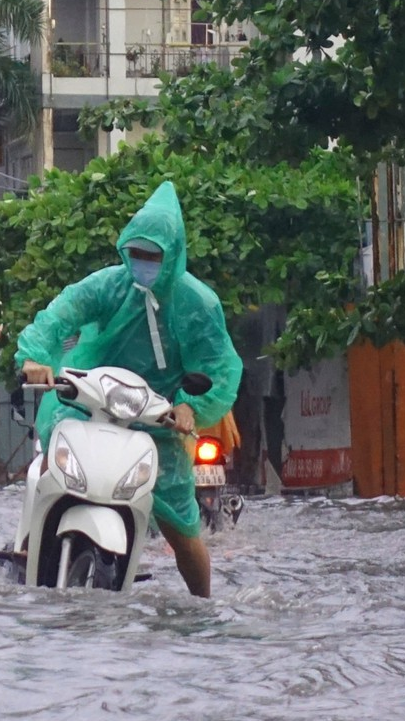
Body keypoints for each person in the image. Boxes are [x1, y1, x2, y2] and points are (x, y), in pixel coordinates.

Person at [15, 182, 243, 598]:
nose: (143, 263)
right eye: (135, 254)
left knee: (182, 529)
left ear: (172, 254)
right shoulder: (109, 285)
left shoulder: (199, 303)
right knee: (55, 463)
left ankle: (204, 608)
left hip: (159, 416)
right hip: (90, 401)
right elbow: (61, 312)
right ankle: (30, 548)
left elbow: (220, 366)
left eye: (153, 256)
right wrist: (33, 357)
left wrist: (191, 406)